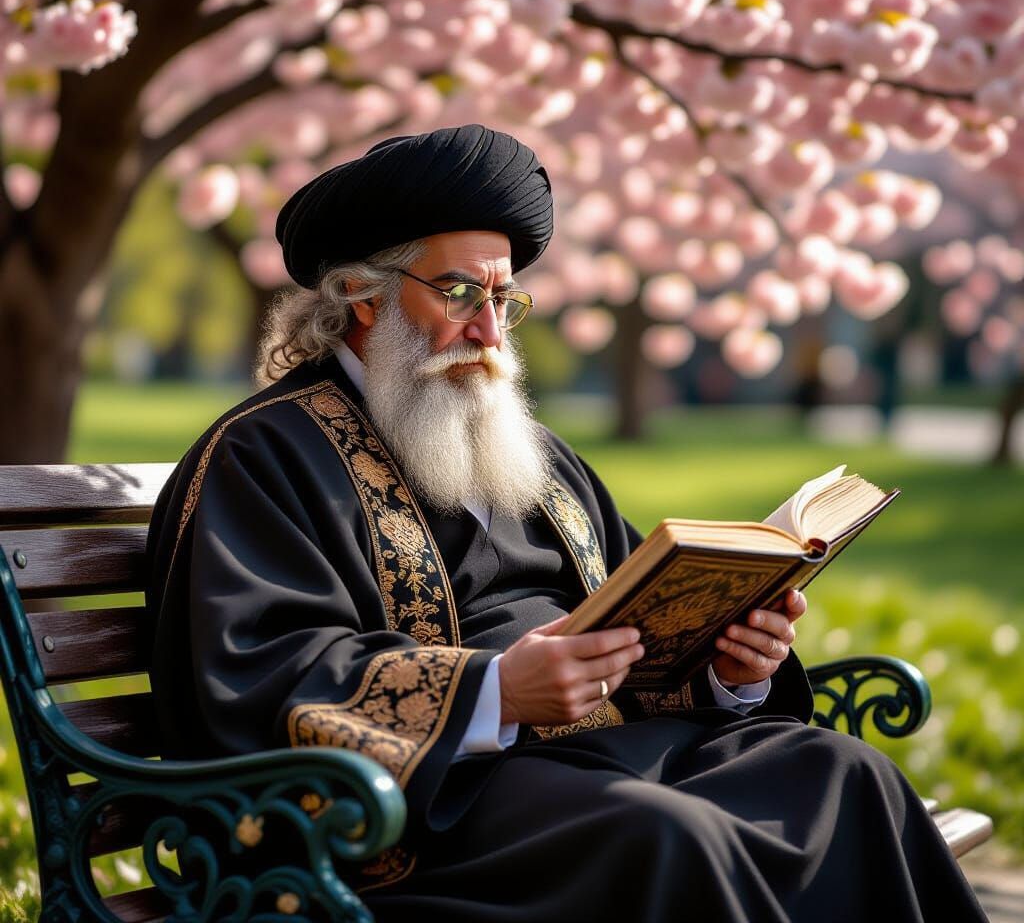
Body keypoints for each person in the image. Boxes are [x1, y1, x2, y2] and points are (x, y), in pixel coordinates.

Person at [146, 124, 987, 922]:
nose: (487, 328)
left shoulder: (535, 456)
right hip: (427, 809)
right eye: (459, 292)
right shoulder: (264, 454)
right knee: (668, 837)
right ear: (361, 298)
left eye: (504, 300)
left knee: (843, 773)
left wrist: (733, 665)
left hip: (610, 753)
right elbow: (265, 676)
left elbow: (636, 621)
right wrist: (495, 691)